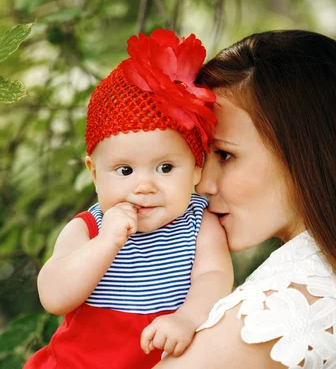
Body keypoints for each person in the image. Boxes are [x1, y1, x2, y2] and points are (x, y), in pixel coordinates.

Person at [153, 30, 336, 368]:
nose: (203, 184)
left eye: (224, 155)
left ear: (306, 152)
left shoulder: (278, 314)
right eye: (200, 157)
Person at [24, 29, 233, 369]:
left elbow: (215, 278)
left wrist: (187, 318)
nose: (145, 186)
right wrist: (107, 242)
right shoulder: (88, 229)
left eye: (165, 167)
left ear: (196, 170)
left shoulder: (200, 226)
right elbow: (53, 296)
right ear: (95, 173)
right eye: (124, 171)